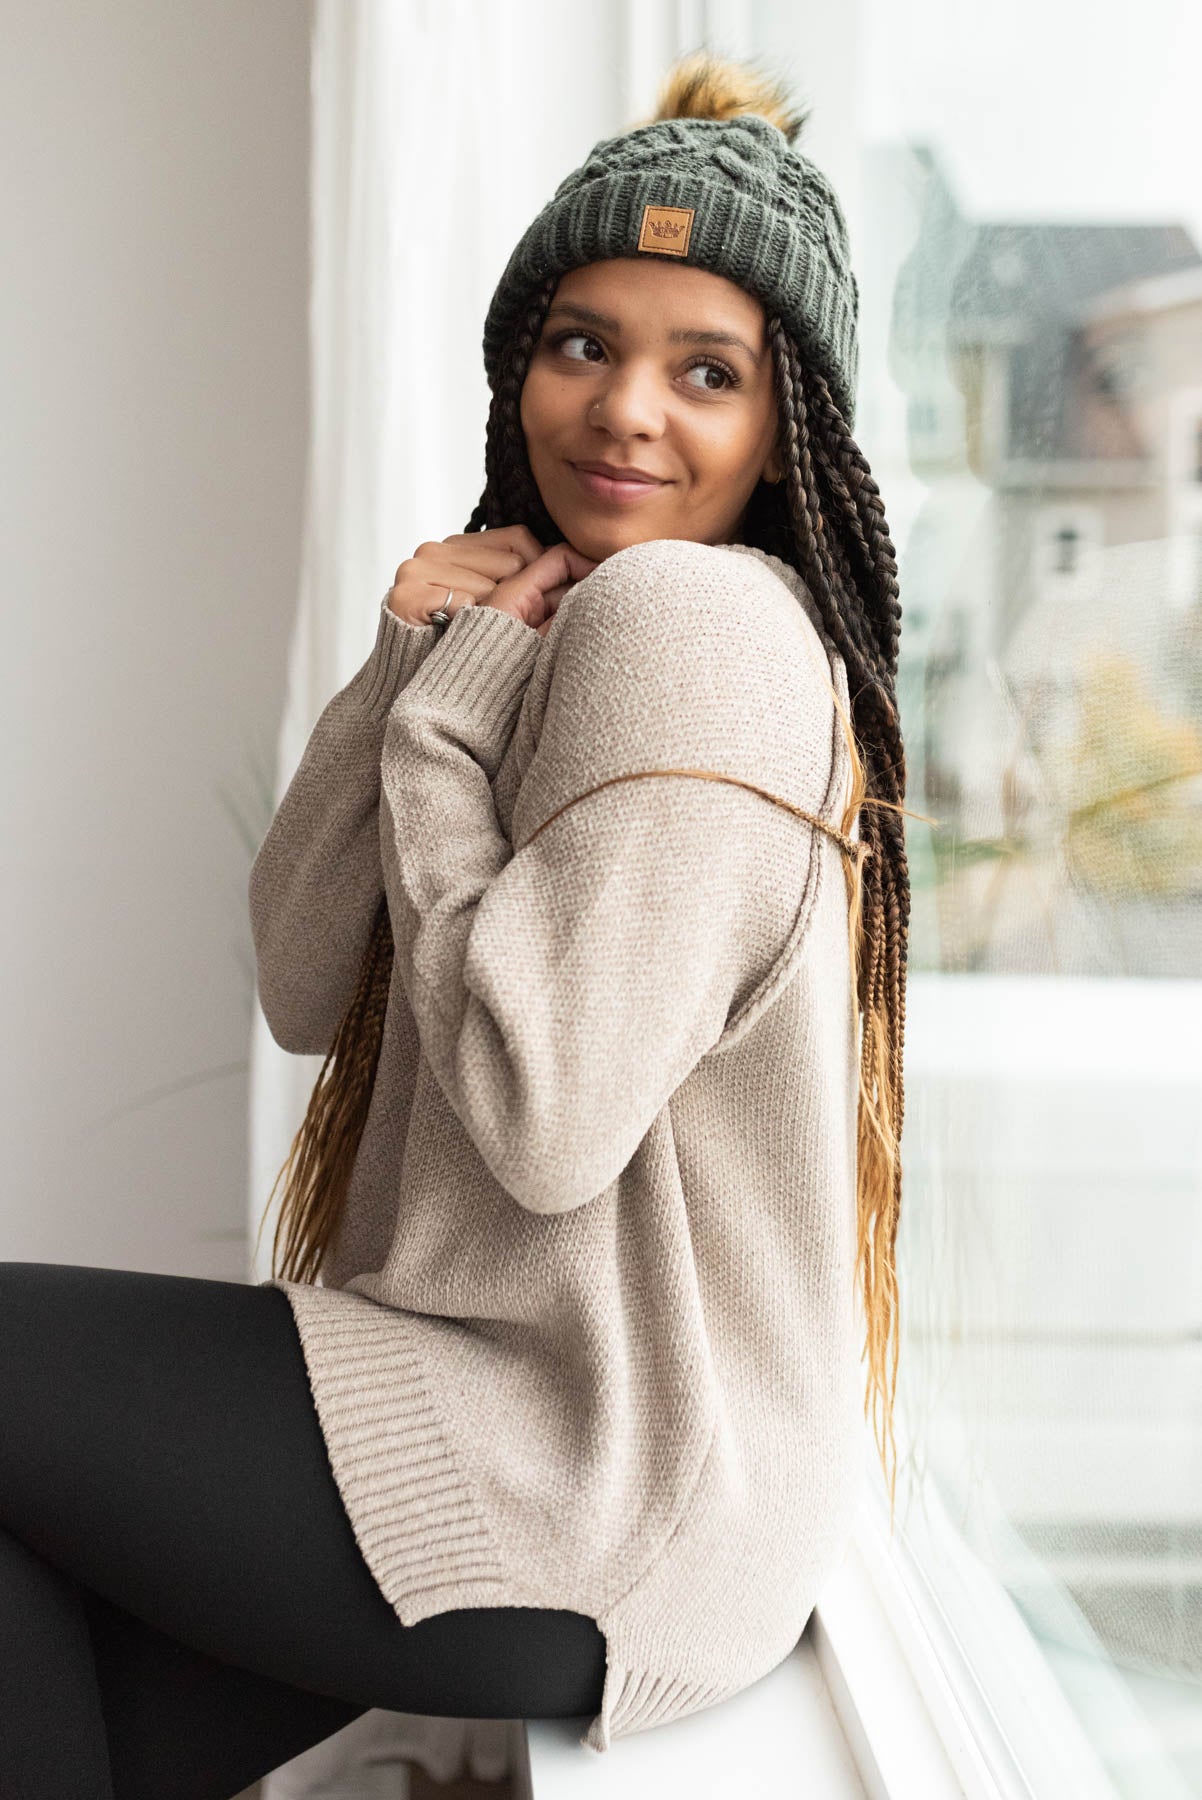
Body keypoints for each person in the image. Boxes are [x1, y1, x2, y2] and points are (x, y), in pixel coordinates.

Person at [0, 47, 912, 1797]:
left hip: (575, 1467)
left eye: (702, 371)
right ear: (522, 367)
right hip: (557, 1442)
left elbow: (541, 1117)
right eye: (584, 344)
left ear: (783, 423)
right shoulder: (563, 625)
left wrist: (437, 720)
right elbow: (297, 977)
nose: (625, 409)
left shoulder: (693, 630)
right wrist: (418, 654)